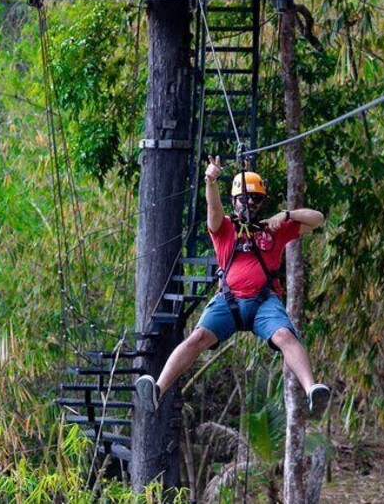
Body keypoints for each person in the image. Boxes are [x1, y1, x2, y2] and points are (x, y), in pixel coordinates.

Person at [135, 156, 331, 418]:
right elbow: (213, 208)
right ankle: (157, 390)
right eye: (244, 198)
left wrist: (286, 214)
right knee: (197, 338)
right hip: (228, 302)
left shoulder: (274, 229)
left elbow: (317, 218)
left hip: (264, 302)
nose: (249, 203)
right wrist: (211, 180)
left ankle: (312, 390)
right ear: (235, 201)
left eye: (256, 199)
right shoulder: (224, 228)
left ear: (263, 203)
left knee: (285, 335)